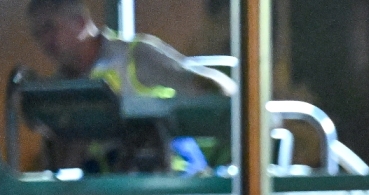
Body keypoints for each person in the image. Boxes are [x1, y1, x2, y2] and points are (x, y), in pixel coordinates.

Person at [27, 0, 231, 174]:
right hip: (111, 194)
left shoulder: (136, 55)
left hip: (173, 183)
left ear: (80, 23)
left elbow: (213, 87)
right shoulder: (58, 89)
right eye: (38, 34)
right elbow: (62, 169)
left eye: (49, 28)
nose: (45, 41)